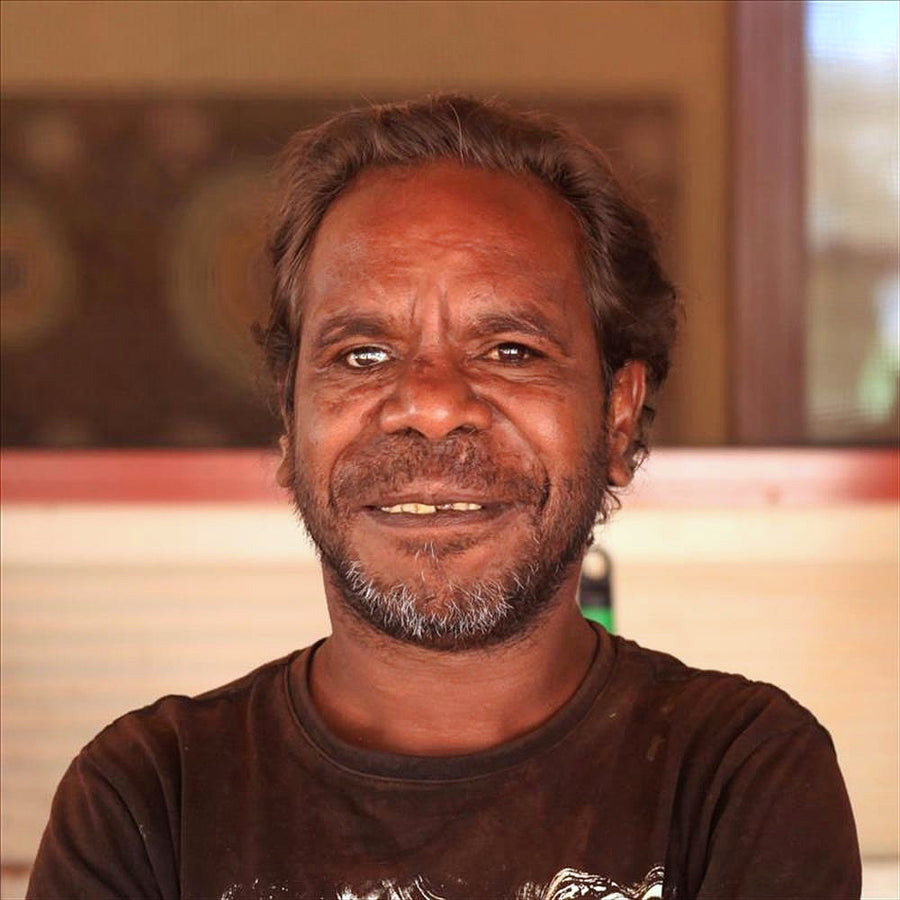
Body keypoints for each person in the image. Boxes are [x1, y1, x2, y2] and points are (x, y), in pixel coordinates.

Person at [28, 95, 860, 900]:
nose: (429, 405)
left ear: (616, 416)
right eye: (361, 356)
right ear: (289, 424)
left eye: (509, 348)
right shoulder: (147, 803)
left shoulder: (735, 777)